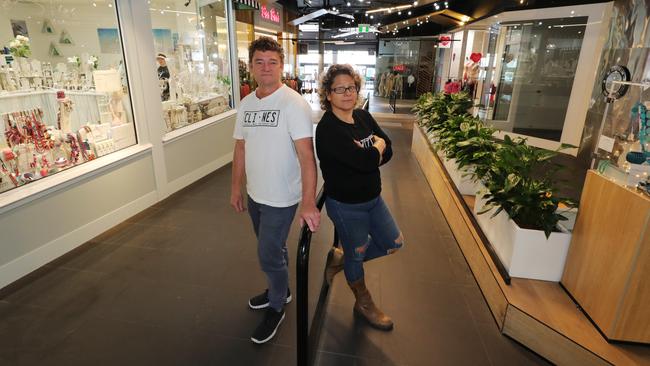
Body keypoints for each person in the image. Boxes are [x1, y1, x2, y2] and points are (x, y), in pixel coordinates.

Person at [231, 36, 320, 344]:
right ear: (251, 66)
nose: (265, 68)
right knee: (274, 248)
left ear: (282, 66)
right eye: (259, 62)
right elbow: (240, 148)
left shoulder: (293, 104)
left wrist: (309, 202)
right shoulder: (246, 104)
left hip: (282, 197)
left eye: (272, 62)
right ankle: (281, 289)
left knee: (267, 253)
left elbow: (308, 159)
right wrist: (236, 188)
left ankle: (277, 305)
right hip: (256, 193)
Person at [315, 64, 404, 331]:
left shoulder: (363, 117)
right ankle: (363, 302)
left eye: (351, 88)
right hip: (346, 206)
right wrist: (375, 149)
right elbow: (365, 160)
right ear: (328, 94)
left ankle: (343, 259)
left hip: (373, 199)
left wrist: (373, 152)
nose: (347, 93)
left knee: (394, 242)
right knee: (358, 252)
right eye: (339, 89)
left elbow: (388, 150)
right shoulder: (328, 129)